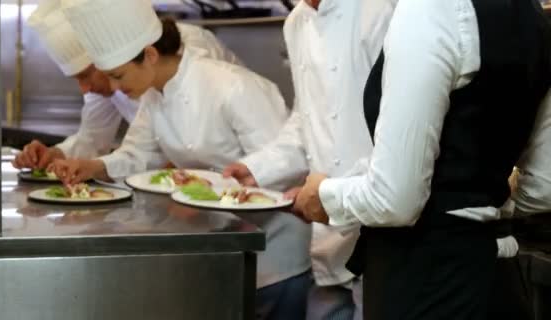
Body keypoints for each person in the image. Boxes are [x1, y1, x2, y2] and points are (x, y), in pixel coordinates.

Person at [51, 0, 312, 318]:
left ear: (149, 55)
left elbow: (286, 164)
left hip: (274, 251)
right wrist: (94, 166)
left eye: (119, 76)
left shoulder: (232, 87)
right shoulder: (154, 94)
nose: (116, 88)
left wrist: (210, 194)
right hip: (223, 247)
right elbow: (140, 154)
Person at [292, 0, 551, 319]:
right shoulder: (534, 15)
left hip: (425, 284)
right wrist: (482, 205)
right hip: (499, 283)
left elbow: (396, 200)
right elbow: (544, 187)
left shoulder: (429, 9)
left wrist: (326, 196)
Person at [222, 0, 397, 319]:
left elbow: (397, 129)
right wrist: (258, 169)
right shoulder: (296, 23)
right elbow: (306, 119)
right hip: (329, 239)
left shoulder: (381, 10)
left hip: (383, 226)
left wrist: (331, 193)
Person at [13, 0, 240, 170]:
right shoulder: (112, 83)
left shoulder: (194, 53)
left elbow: (210, 144)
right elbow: (99, 139)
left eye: (85, 76)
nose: (85, 88)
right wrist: (56, 154)